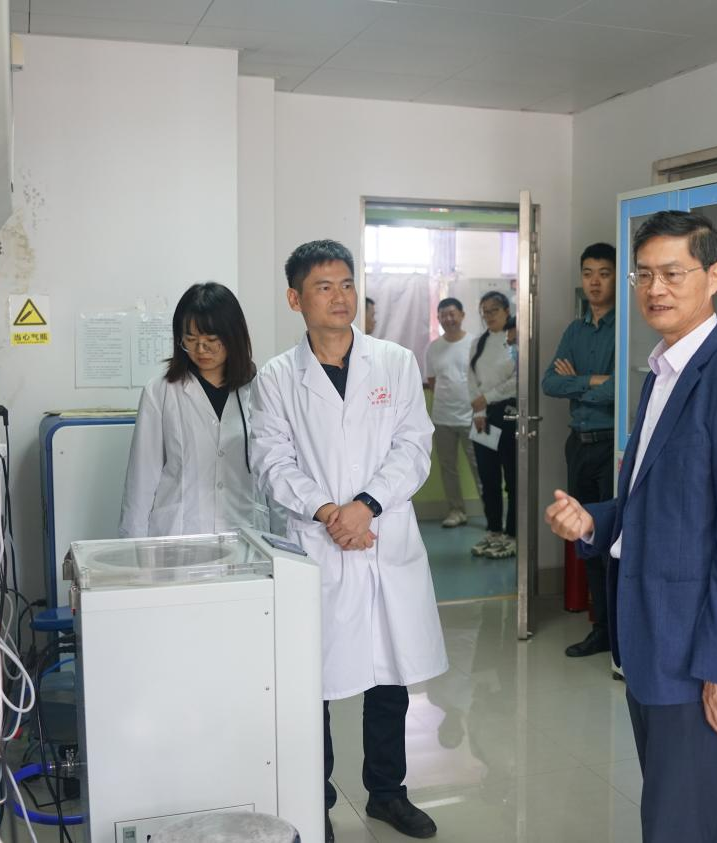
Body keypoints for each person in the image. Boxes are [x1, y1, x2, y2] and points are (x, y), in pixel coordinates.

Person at [546, 211, 717, 843]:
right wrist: (593, 520)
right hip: (653, 630)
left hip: (696, 644)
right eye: (644, 274)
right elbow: (659, 501)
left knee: (675, 819)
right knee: (692, 809)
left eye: (673, 273)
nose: (656, 288)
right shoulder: (662, 371)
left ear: (714, 276)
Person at [250, 240, 447, 842]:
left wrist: (366, 507)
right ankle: (317, 802)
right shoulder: (277, 377)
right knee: (314, 681)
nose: (340, 298)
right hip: (319, 544)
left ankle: (388, 793)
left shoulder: (395, 362)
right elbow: (270, 459)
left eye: (346, 284)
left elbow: (414, 446)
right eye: (323, 287)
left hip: (382, 537)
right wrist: (329, 511)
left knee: (389, 675)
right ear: (295, 299)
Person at [120, 282, 266, 538]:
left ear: (233, 337)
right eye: (191, 340)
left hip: (244, 532)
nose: (200, 350)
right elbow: (141, 480)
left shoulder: (259, 390)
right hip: (179, 534)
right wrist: (132, 547)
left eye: (211, 340)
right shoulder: (161, 392)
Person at [542, 242, 617, 658]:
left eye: (604, 273)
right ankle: (600, 628)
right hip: (579, 446)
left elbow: (623, 389)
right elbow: (550, 383)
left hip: (611, 445)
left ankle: (619, 633)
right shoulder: (575, 330)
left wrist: (580, 383)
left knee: (611, 539)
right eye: (588, 273)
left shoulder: (627, 325)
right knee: (584, 537)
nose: (594, 282)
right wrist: (591, 381)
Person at [467, 291, 517, 560]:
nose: (488, 316)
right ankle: (494, 530)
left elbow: (518, 379)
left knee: (513, 478)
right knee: (488, 478)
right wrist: (480, 409)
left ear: (506, 310)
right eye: (484, 311)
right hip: (482, 417)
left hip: (508, 414)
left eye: (494, 310)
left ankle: (513, 534)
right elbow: (470, 377)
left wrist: (488, 397)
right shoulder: (479, 342)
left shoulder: (515, 340)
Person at [423, 297, 480, 528]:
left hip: (472, 417)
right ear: (438, 318)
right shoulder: (434, 347)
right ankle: (456, 510)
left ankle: (492, 512)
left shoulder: (474, 343)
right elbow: (433, 381)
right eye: (443, 315)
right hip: (442, 417)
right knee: (448, 468)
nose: (448, 319)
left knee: (480, 466)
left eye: (452, 314)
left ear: (462, 315)